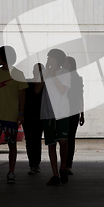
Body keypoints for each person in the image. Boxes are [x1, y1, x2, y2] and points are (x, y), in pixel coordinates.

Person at [0, 46, 28, 184]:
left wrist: (21, 114)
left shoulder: (18, 74)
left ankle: (11, 173)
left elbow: (22, 95)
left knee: (12, 145)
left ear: (4, 57)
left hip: (12, 116)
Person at [39, 48, 71, 186]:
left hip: (62, 111)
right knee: (51, 144)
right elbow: (37, 90)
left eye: (50, 57)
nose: (48, 59)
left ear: (56, 59)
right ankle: (55, 174)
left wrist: (53, 74)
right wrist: (45, 75)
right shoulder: (46, 73)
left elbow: (63, 89)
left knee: (63, 141)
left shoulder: (65, 72)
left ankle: (63, 166)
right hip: (48, 112)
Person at [64, 56, 85, 175]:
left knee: (70, 139)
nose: (66, 65)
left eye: (68, 63)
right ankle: (64, 164)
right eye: (65, 63)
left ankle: (68, 165)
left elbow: (80, 97)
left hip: (73, 111)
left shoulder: (77, 78)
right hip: (63, 111)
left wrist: (82, 113)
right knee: (64, 139)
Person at [24, 63, 44, 175]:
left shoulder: (44, 85)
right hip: (29, 115)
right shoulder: (27, 83)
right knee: (30, 141)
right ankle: (33, 164)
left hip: (39, 116)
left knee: (36, 140)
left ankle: (35, 164)